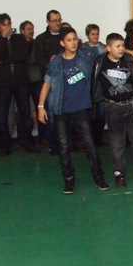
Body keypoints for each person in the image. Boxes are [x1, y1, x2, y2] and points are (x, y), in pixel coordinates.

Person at [38, 26, 109, 195]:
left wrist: (132, 52)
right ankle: (69, 180)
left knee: (90, 144)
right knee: (64, 146)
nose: (73, 43)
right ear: (62, 43)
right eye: (69, 40)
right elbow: (47, 83)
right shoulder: (55, 63)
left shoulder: (87, 55)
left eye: (75, 39)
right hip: (61, 110)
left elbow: (108, 48)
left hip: (81, 109)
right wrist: (40, 107)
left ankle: (98, 177)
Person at [92, 32, 133, 188]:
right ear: (108, 48)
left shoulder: (130, 60)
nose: (121, 49)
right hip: (113, 106)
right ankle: (119, 174)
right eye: (117, 46)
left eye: (123, 45)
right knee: (117, 142)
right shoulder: (100, 62)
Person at [0, 13, 38, 156]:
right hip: (3, 83)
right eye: (4, 25)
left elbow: (23, 56)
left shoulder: (19, 38)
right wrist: (4, 39)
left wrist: (4, 61)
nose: (7, 27)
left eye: (9, 24)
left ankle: (27, 142)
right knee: (2, 115)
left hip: (20, 81)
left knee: (25, 112)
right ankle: (4, 145)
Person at [34, 10, 63, 154]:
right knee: (51, 114)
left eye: (59, 20)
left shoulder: (65, 36)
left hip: (66, 81)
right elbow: (40, 62)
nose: (57, 23)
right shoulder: (41, 39)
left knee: (66, 113)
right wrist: (51, 63)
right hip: (50, 82)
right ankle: (53, 143)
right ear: (47, 22)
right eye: (54, 20)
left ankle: (66, 142)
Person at [84, 24, 107, 146]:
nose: (96, 36)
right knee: (88, 114)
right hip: (87, 84)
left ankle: (98, 138)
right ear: (88, 35)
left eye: (97, 33)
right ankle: (89, 140)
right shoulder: (82, 48)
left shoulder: (104, 47)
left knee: (101, 113)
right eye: (93, 34)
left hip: (101, 84)